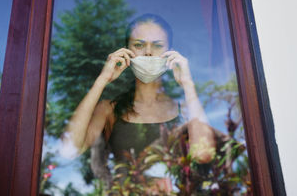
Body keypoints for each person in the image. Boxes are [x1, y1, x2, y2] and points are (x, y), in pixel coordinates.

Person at [61, 14, 215, 192]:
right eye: (139, 45)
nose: (148, 52)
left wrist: (188, 85)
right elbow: (69, 149)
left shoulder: (186, 109)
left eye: (157, 45)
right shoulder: (109, 109)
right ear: (126, 51)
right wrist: (102, 80)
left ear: (170, 52)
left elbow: (204, 155)